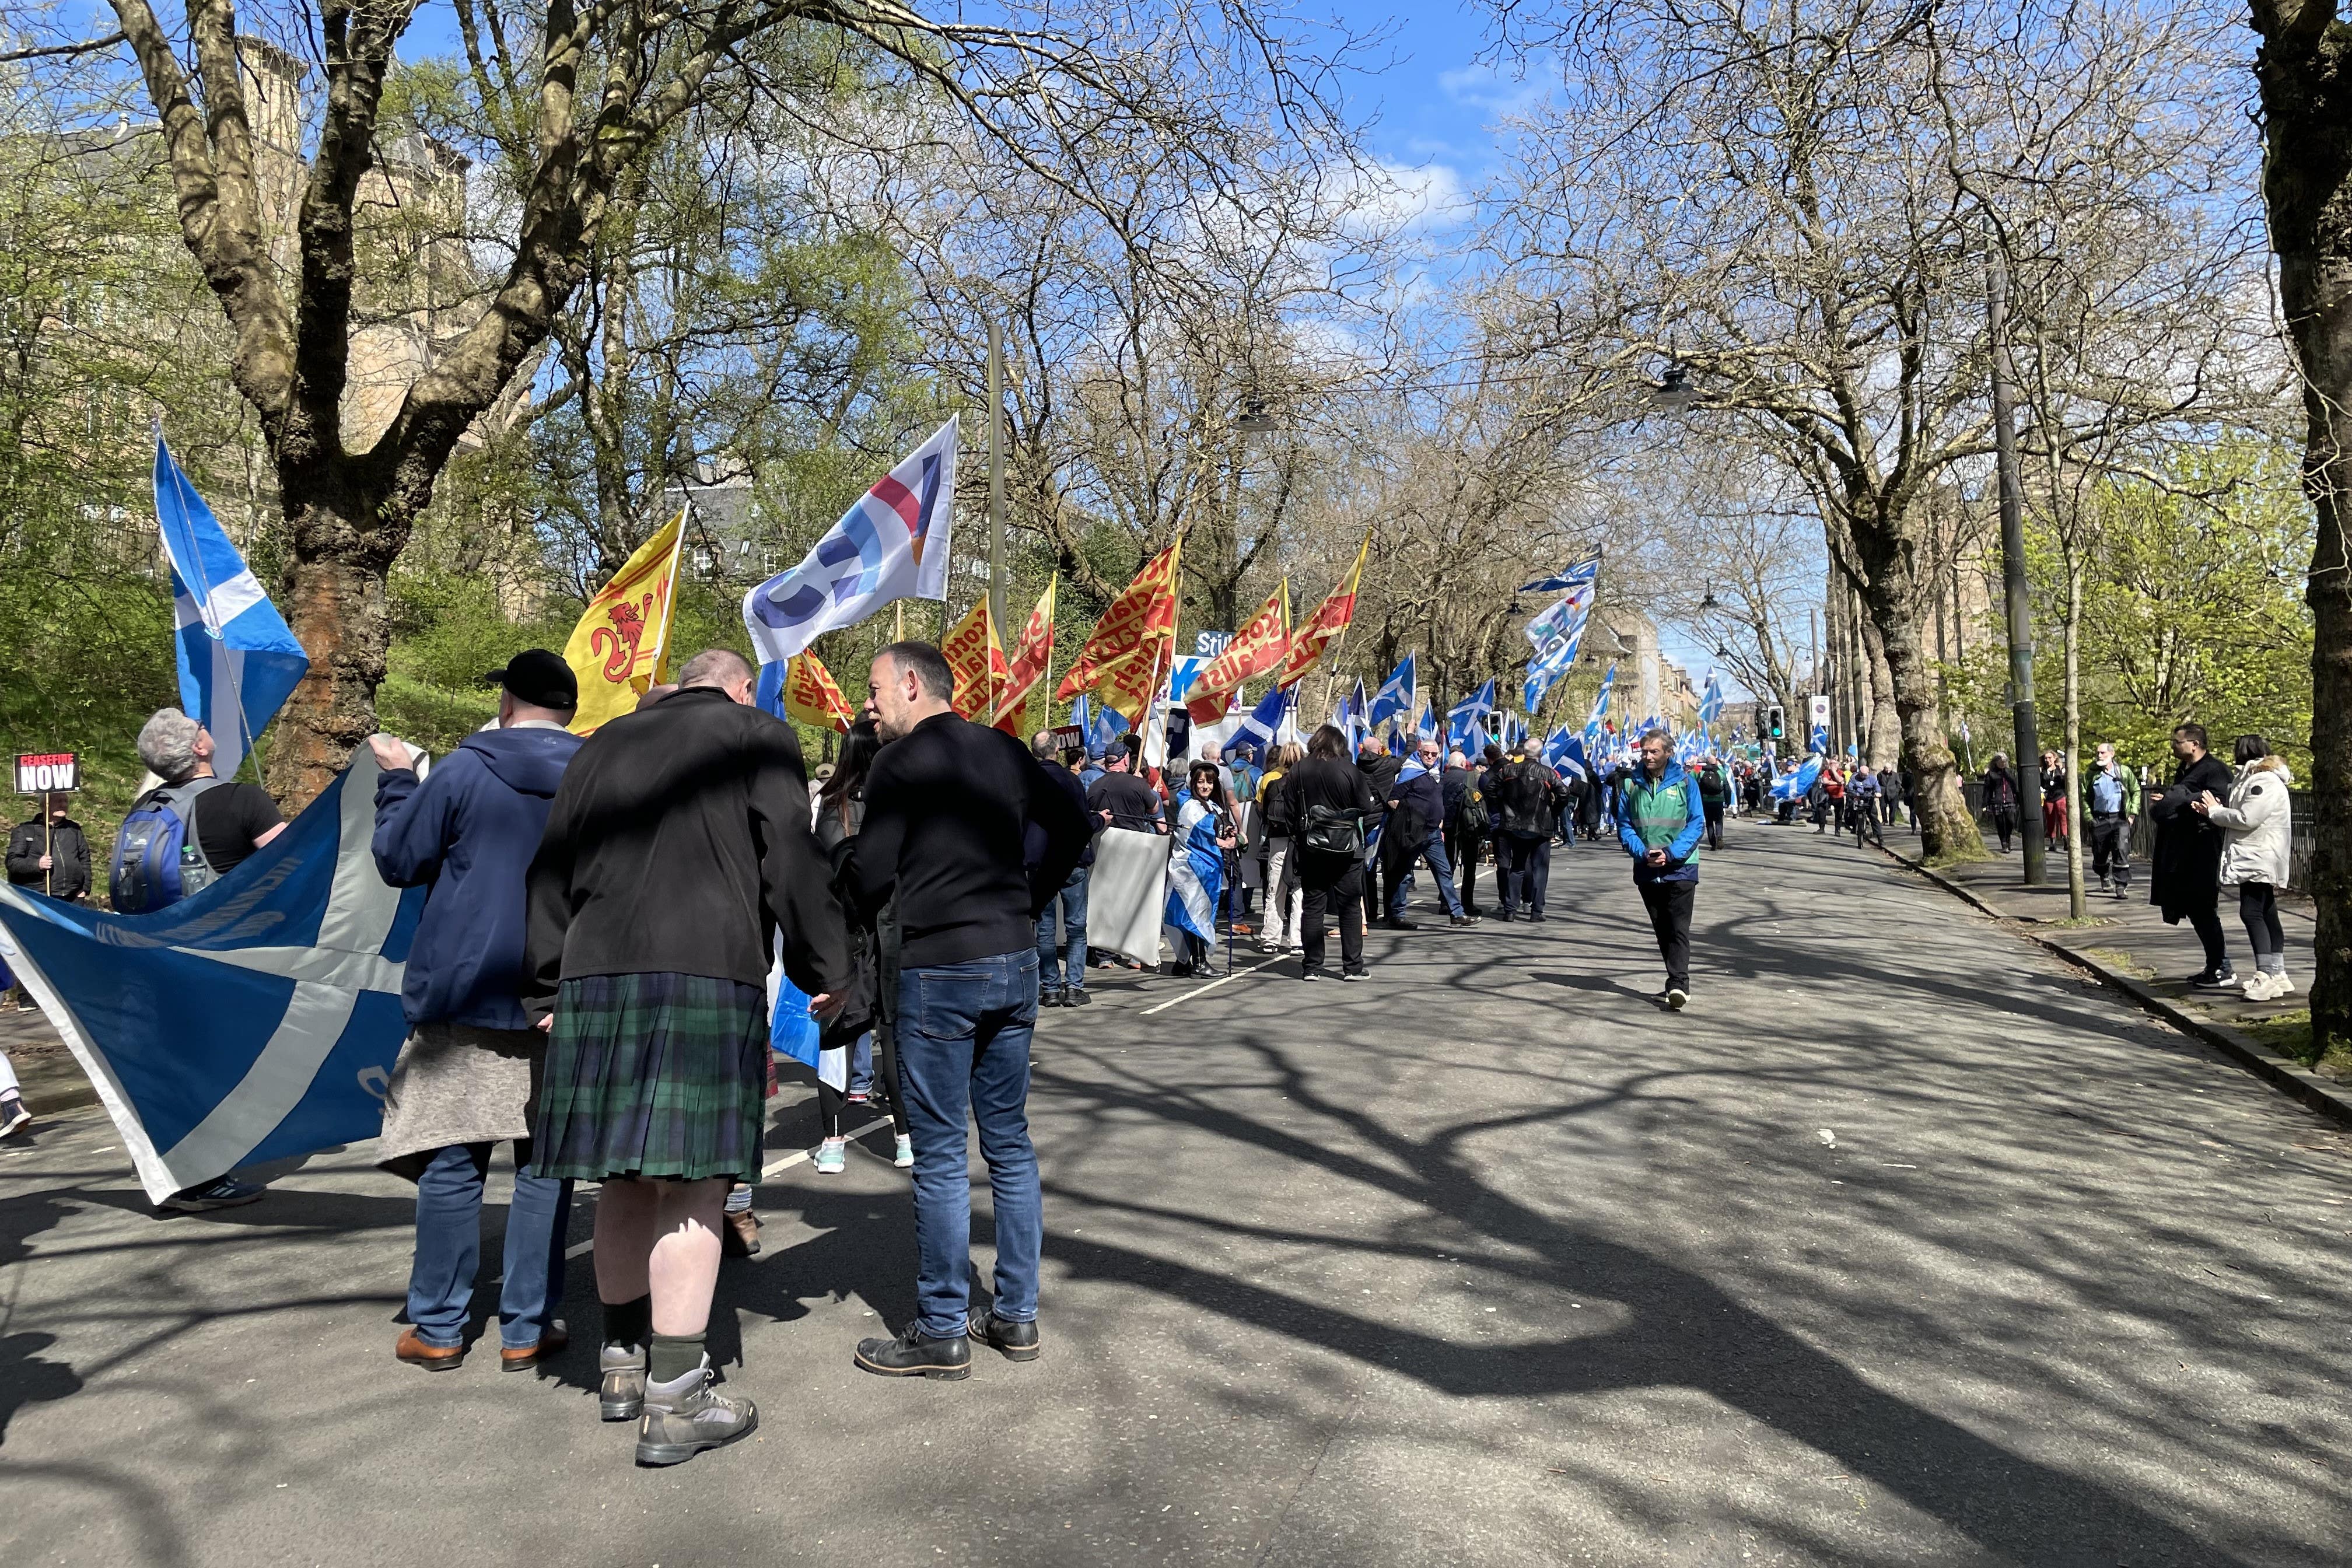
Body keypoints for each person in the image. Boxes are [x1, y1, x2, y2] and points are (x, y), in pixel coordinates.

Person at [526, 648, 852, 1465]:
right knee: (695, 1189)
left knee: (624, 1183)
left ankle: (621, 1363)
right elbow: (791, 857)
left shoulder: (600, 744)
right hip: (705, 972)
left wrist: (541, 985)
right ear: (740, 687)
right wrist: (827, 970)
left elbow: (551, 868)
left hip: (595, 976)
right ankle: (676, 1401)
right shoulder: (756, 735)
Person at [844, 642, 1088, 1380]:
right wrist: (1028, 898)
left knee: (945, 1152)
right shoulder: (1005, 750)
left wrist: (831, 865)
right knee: (1009, 1143)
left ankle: (944, 1328)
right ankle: (1016, 1316)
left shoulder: (901, 764)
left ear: (913, 685)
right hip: (1012, 959)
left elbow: (872, 875)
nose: (868, 703)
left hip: (940, 967)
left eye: (877, 688)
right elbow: (1074, 824)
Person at [369, 649, 582, 1374]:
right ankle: (528, 1326)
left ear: (508, 702)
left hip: (463, 992)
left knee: (453, 1163)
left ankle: (438, 1327)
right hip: (562, 995)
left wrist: (398, 781)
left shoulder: (463, 769)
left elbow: (398, 859)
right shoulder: (599, 774)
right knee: (545, 1166)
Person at [117, 709, 289, 1213]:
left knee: (178, 1054)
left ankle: (169, 1150)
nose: (209, 731)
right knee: (216, 1059)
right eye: (202, 729)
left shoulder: (145, 807)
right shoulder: (241, 799)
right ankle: (198, 1176)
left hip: (156, 952)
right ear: (199, 750)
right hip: (221, 953)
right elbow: (290, 869)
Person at [1279, 724, 1381, 982]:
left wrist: (1298, 836)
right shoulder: (1349, 769)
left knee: (1313, 907)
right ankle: (1353, 967)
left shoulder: (1300, 769)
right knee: (1349, 908)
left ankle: (1312, 966)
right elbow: (1367, 806)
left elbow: (1289, 809)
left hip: (1312, 847)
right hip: (1347, 849)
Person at [2202, 734, 2295, 1000]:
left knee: (2251, 912)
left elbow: (2248, 817)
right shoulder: (2255, 778)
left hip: (2259, 854)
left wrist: (2215, 813)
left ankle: (2264, 975)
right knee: (2266, 911)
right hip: (2259, 853)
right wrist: (2216, 811)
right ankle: (2277, 973)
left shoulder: (2262, 781)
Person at [2147, 722, 2237, 989]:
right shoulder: (2185, 769)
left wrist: (2180, 798)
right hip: (2181, 850)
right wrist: (2171, 799)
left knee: (2204, 907)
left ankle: (2223, 966)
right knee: (2193, 908)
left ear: (2194, 744)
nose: (2174, 746)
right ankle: (2214, 965)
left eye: (2178, 742)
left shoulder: (2215, 770)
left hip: (2203, 849)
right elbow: (2181, 801)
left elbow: (2217, 803)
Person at [1619, 729, 1704, 1009]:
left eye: (1654, 751)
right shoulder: (1630, 785)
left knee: (1678, 927)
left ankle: (1679, 983)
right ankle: (1675, 982)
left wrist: (1670, 854)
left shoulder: (1686, 783)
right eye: (1644, 752)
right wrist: (1643, 853)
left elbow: (1696, 823)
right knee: (1662, 928)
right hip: (1646, 867)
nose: (1648, 756)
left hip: (1680, 868)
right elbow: (1624, 824)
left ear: (1669, 753)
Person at [1031, 730, 1095, 1007]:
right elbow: (1083, 824)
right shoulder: (1072, 780)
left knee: (1045, 929)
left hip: (1041, 863)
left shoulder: (1028, 781)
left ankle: (1051, 990)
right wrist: (1100, 822)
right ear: (1056, 751)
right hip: (1071, 862)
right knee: (1076, 928)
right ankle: (1073, 988)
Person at [1384, 738, 1472, 929]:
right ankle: (1397, 915)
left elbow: (1436, 801)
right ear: (1419, 752)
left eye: (1434, 754)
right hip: (1414, 833)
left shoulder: (1434, 774)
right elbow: (1393, 800)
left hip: (1433, 834)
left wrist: (1439, 824)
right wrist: (1412, 819)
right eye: (1427, 754)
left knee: (1445, 872)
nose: (1430, 757)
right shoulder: (1410, 773)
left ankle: (1456, 913)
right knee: (1404, 875)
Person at [1166, 760, 1239, 975]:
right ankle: (1198, 963)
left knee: (1195, 913)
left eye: (1210, 782)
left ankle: (1183, 963)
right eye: (1201, 782)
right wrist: (1225, 842)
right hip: (1192, 868)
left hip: (1206, 868)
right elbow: (1198, 837)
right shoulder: (1190, 807)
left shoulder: (1210, 806)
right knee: (1195, 914)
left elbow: (1214, 830)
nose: (1205, 786)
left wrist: (1227, 832)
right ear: (1193, 783)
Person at [1493, 741, 1569, 921]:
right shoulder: (1546, 772)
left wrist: (1504, 806)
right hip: (1539, 826)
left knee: (1517, 867)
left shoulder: (1509, 770)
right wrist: (1552, 811)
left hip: (1517, 825)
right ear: (1540, 753)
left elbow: (1491, 789)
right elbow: (1564, 793)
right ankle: (1536, 911)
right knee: (1539, 870)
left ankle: (1510, 909)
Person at [1256, 741, 1303, 954]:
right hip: (1301, 840)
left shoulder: (1273, 783)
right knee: (1299, 889)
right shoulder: (1307, 786)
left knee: (1276, 888)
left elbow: (1264, 813)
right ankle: (1297, 938)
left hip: (1277, 839)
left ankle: (1271, 937)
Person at [2082, 742, 2141, 899]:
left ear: (2112, 754)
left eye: (2102, 753)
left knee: (2121, 850)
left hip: (2120, 818)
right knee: (2100, 854)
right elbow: (2084, 798)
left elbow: (2136, 790)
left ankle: (2121, 886)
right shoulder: (2091, 774)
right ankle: (2103, 876)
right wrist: (2089, 818)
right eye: (2098, 753)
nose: (2099, 756)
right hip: (2100, 819)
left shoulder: (2124, 772)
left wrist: (2133, 814)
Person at [1356, 738, 1404, 929]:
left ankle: (1371, 911)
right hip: (1387, 821)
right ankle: (1391, 911)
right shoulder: (1387, 765)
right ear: (1379, 750)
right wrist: (1409, 735)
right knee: (1390, 867)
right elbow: (1408, 754)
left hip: (1368, 822)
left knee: (1368, 869)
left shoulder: (1357, 767)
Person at [7, 793, 89, 902]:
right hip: (38, 897)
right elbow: (12, 862)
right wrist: (38, 864)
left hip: (73, 897)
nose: (64, 804)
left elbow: (85, 859)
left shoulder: (74, 829)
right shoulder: (25, 830)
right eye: (59, 801)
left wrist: (84, 889)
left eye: (66, 801)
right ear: (44, 805)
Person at [1442, 748, 1488, 916]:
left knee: (1447, 866)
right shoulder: (1470, 779)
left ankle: (1445, 902)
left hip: (1448, 828)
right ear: (1463, 764)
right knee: (1469, 868)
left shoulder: (1441, 779)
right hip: (1469, 828)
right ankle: (1467, 903)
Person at [1980, 755, 2021, 853]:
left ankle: (2008, 838)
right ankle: (2004, 843)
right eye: (2000, 761)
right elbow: (1988, 789)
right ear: (1996, 762)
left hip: (2009, 800)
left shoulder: (2009, 772)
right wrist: (1985, 803)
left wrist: (2018, 799)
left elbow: (2015, 785)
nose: (2002, 763)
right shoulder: (1991, 774)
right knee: (2000, 823)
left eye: (2004, 761)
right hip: (1997, 801)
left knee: (2010, 821)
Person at [1847, 764, 1883, 847]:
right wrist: (1853, 794)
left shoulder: (1872, 778)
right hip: (1858, 799)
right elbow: (1850, 788)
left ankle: (1880, 838)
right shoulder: (1854, 778)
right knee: (1851, 812)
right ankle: (1854, 826)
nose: (1863, 777)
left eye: (1865, 775)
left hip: (1869, 800)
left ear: (1868, 772)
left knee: (1874, 818)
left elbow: (1877, 786)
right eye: (1862, 775)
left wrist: (1878, 793)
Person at [1696, 760, 1729, 851]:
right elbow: (1727, 788)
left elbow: (1698, 789)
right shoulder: (1720, 773)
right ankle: (1719, 836)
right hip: (1719, 801)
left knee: (1709, 823)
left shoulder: (1702, 773)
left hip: (1706, 802)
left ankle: (1713, 844)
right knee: (1719, 821)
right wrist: (1728, 801)